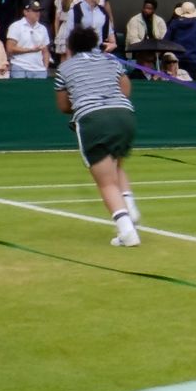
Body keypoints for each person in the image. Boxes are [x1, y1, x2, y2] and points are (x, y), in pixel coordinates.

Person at [54, 25, 142, 247]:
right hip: (124, 115)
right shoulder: (111, 60)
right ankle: (129, 207)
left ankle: (127, 231)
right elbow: (126, 90)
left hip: (94, 120)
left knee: (105, 182)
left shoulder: (64, 68)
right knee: (116, 166)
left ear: (71, 46)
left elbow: (64, 105)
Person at [6, 0, 51, 78]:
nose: (38, 13)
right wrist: (30, 50)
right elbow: (10, 48)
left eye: (39, 11)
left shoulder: (43, 28)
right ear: (26, 12)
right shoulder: (16, 26)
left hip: (39, 70)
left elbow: (45, 51)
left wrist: (45, 68)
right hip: (20, 67)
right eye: (34, 11)